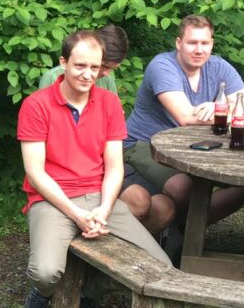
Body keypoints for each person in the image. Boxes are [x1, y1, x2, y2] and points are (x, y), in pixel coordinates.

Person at [18, 29, 171, 308]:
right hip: (52, 199)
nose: (88, 74)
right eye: (80, 66)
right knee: (45, 272)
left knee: (159, 265)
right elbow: (35, 173)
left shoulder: (109, 103)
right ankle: (43, 293)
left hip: (100, 197)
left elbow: (114, 166)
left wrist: (104, 207)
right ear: (63, 63)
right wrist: (76, 214)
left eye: (95, 67)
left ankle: (89, 294)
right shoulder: (36, 105)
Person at [124, 15, 244, 228]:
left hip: (192, 146)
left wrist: (218, 108)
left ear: (212, 44)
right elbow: (185, 116)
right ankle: (184, 234)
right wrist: (229, 112)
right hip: (142, 143)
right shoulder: (163, 66)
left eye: (205, 43)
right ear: (179, 43)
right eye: (192, 43)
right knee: (182, 187)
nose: (199, 50)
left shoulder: (219, 66)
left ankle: (188, 229)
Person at [40, 25, 174, 236]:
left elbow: (112, 123)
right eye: (103, 67)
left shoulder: (105, 78)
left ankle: (120, 251)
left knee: (162, 206)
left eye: (108, 69)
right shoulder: (54, 79)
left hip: (104, 162)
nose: (102, 74)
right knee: (139, 201)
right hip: (69, 171)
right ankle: (96, 243)